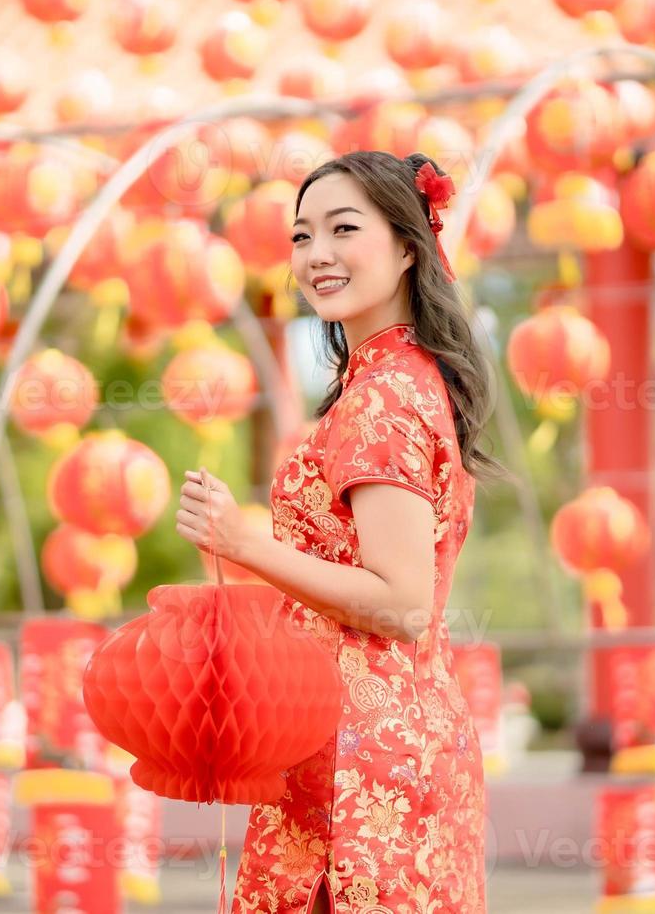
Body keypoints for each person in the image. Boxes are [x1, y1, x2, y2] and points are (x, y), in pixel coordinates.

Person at [175, 150, 503, 914]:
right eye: (301, 236)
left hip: (362, 770)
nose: (316, 254)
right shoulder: (398, 381)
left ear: (407, 248)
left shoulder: (384, 398)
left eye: (343, 229)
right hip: (372, 745)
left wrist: (246, 543)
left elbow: (400, 602)